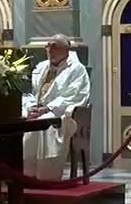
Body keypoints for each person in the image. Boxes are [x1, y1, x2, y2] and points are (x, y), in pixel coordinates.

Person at [21, 35, 92, 181]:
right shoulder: (41, 67)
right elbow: (30, 92)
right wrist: (31, 107)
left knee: (44, 124)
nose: (49, 50)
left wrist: (47, 109)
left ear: (66, 50)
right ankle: (27, 174)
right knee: (20, 121)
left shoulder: (77, 70)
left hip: (61, 114)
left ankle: (47, 176)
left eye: (55, 47)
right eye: (48, 46)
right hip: (38, 111)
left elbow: (73, 96)